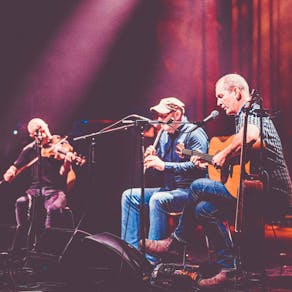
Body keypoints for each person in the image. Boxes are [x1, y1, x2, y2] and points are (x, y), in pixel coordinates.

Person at [143, 74, 292, 287]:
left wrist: (223, 155)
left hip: (270, 192)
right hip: (251, 189)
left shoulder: (252, 112)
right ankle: (229, 270)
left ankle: (176, 241)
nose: (218, 103)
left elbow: (250, 135)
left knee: (197, 186)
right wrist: (212, 161)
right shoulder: (244, 114)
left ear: (237, 92)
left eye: (221, 96)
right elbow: (244, 160)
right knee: (204, 209)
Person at [121, 97, 209, 264]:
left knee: (157, 199)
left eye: (162, 116)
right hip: (170, 189)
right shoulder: (163, 135)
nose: (159, 121)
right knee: (129, 196)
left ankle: (151, 262)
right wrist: (153, 159)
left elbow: (200, 166)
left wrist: (164, 165)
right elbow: (162, 169)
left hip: (190, 193)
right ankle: (130, 257)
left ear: (176, 114)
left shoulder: (194, 133)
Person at [3, 118, 77, 248]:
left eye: (43, 128)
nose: (42, 133)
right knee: (20, 203)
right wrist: (9, 173)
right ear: (33, 136)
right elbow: (16, 166)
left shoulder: (61, 145)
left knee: (52, 209)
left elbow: (63, 173)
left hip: (55, 190)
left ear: (47, 126)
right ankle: (24, 241)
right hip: (35, 190)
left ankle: (44, 247)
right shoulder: (30, 149)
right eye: (37, 131)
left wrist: (67, 163)